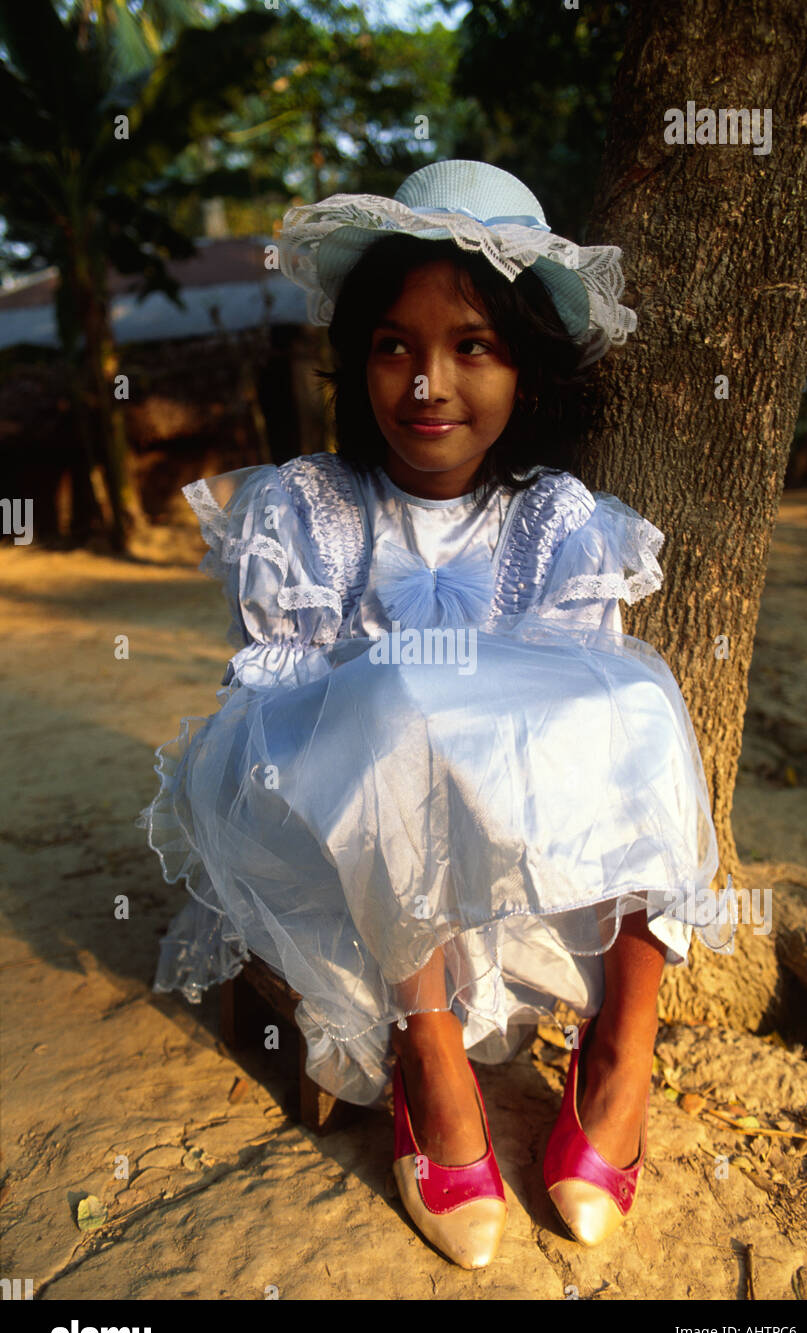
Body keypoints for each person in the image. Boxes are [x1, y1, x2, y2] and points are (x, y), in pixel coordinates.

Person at [136, 160, 733, 1270]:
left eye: (472, 346)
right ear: (358, 357)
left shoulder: (554, 519)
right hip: (340, 822)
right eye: (393, 345)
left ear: (526, 368)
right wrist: (402, 693)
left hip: (512, 835)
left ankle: (620, 1053)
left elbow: (570, 716)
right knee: (397, 698)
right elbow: (277, 695)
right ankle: (432, 1062)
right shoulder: (310, 508)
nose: (427, 381)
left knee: (642, 704)